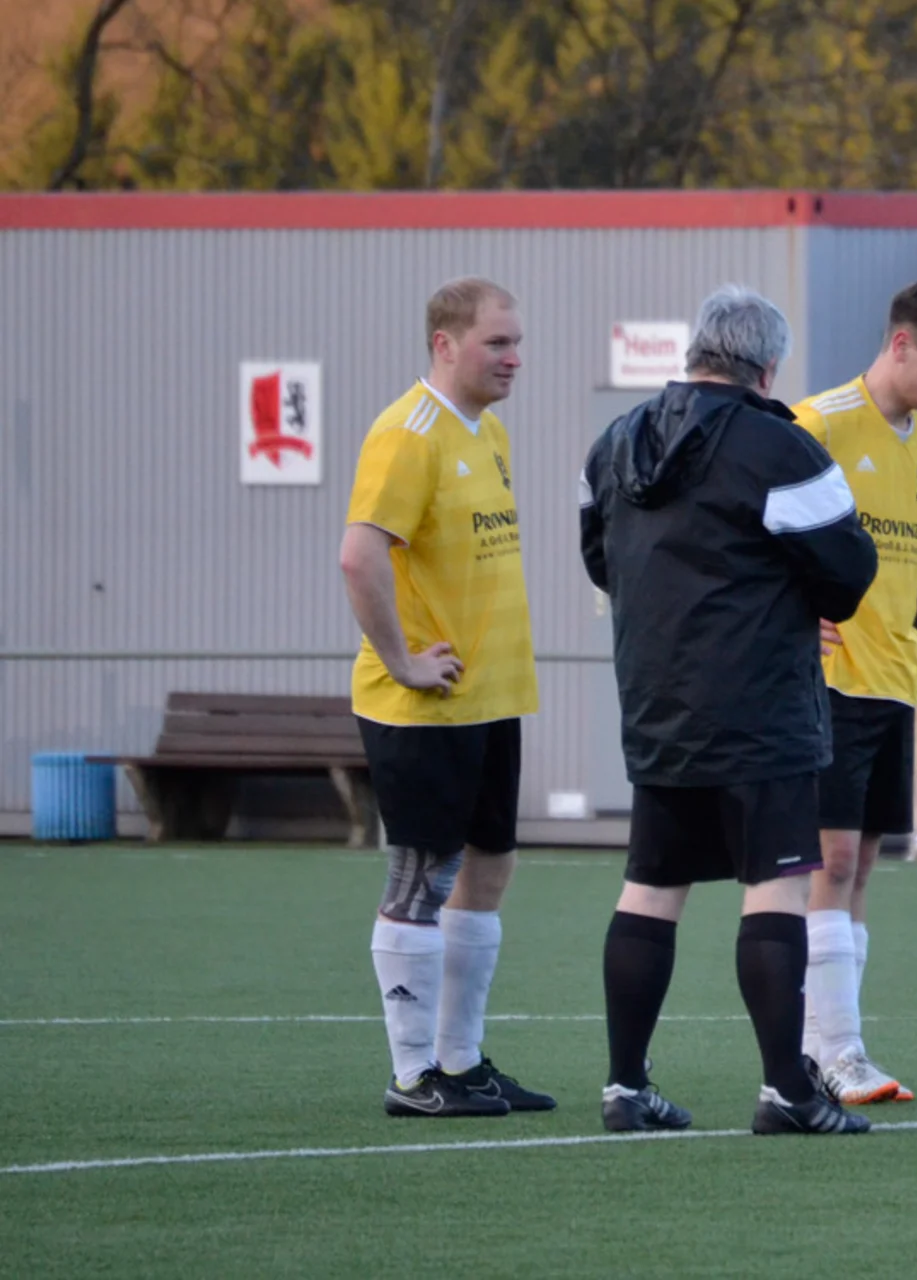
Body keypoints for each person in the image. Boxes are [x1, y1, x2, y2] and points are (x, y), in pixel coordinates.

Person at [580, 285, 878, 1135]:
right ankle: (787, 1088)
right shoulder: (780, 448)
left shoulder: (615, 441)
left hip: (657, 699)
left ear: (695, 351)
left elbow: (600, 556)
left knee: (651, 885)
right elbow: (848, 573)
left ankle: (625, 1086)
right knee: (776, 886)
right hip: (762, 703)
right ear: (767, 364)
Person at [340, 276, 550, 1118]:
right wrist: (401, 661)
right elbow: (359, 556)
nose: (513, 357)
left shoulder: (487, 429)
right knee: (420, 878)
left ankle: (460, 1063)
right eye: (497, 342)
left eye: (516, 341)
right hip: (423, 705)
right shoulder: (408, 433)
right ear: (445, 345)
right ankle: (411, 1074)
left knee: (488, 868)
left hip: (491, 698)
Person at [789, 276, 917, 1104]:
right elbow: (756, 536)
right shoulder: (816, 423)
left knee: (862, 864)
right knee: (830, 860)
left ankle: (819, 1045)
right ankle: (839, 1051)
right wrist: (787, 620)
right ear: (900, 343)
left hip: (891, 678)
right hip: (825, 679)